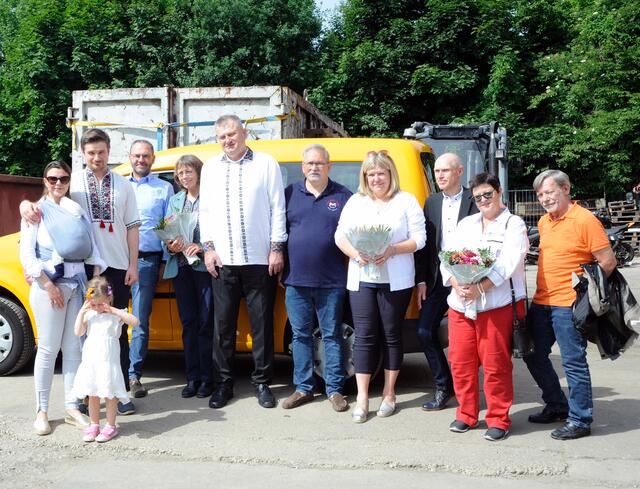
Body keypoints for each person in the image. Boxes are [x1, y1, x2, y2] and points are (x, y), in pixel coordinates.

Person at [21, 129, 141, 416]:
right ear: (83, 155)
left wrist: (133, 265)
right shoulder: (73, 184)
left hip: (116, 266)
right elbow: (46, 200)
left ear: (109, 152)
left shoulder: (124, 185)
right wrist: (25, 205)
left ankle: (119, 392)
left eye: (101, 152)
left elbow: (132, 227)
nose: (96, 157)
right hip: (83, 272)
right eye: (90, 153)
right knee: (83, 335)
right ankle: (87, 396)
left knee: (115, 331)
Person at [200, 114, 287, 409]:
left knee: (262, 325)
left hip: (259, 260)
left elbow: (278, 207)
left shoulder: (265, 164)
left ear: (245, 133)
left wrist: (276, 248)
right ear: (217, 139)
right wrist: (208, 249)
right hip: (223, 261)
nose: (228, 140)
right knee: (222, 327)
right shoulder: (210, 168)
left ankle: (262, 382)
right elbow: (206, 213)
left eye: (232, 134)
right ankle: (223, 383)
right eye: (222, 136)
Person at [524, 169, 616, 440]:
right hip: (542, 301)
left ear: (566, 189)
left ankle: (580, 419)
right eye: (540, 194)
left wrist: (585, 296)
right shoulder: (544, 222)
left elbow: (608, 262)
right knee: (532, 353)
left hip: (568, 305)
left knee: (573, 361)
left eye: (549, 192)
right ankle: (556, 405)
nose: (544, 198)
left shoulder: (585, 220)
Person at [335, 151, 426, 423]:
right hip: (362, 277)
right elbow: (340, 235)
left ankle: (389, 393)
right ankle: (362, 397)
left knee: (391, 335)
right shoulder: (356, 201)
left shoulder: (405, 201)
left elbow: (420, 239)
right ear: (365, 177)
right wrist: (355, 253)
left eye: (381, 174)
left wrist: (393, 250)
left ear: (390, 175)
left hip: (395, 279)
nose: (376, 179)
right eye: (371, 174)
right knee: (364, 336)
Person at [19, 160, 106, 436]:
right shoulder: (35, 212)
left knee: (73, 348)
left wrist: (94, 281)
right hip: (50, 286)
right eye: (52, 178)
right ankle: (42, 410)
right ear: (44, 180)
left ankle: (72, 407)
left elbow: (91, 249)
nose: (58, 183)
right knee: (47, 348)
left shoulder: (76, 210)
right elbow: (28, 254)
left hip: (77, 286)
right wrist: (47, 285)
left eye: (64, 178)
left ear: (69, 181)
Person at [440, 173, 528, 442]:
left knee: (495, 365)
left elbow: (508, 263)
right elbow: (448, 256)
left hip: (495, 306)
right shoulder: (466, 223)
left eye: (487, 194)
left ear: (499, 192)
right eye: (478, 197)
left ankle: (499, 418)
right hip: (461, 304)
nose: (483, 201)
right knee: (460, 363)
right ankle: (466, 413)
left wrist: (480, 287)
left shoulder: (514, 225)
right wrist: (456, 282)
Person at [281, 144, 352, 412]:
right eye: (309, 163)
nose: (314, 168)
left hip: (331, 280)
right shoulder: (289, 194)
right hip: (296, 280)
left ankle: (335, 390)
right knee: (300, 336)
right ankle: (303, 388)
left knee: (332, 335)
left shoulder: (343, 196)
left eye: (319, 163)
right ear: (302, 167)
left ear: (328, 166)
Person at [414, 153, 478, 411]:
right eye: (437, 171)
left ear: (459, 171)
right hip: (438, 280)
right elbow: (425, 246)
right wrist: (421, 281)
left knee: (471, 343)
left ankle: (470, 395)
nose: (439, 175)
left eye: (445, 171)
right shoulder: (431, 203)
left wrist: (474, 278)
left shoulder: (476, 201)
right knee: (424, 331)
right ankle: (444, 386)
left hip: (470, 279)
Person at [162, 155, 215, 399]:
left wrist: (202, 247)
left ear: (198, 172)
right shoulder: (175, 200)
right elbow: (167, 231)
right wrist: (171, 245)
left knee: (206, 324)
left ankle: (207, 379)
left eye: (188, 172)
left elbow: (221, 232)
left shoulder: (211, 197)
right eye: (180, 173)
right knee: (188, 324)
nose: (184, 177)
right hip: (181, 268)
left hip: (205, 270)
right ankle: (192, 378)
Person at [127, 140, 174, 399]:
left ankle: (134, 375)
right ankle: (115, 373)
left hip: (147, 262)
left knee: (139, 321)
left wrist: (165, 261)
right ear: (130, 157)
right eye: (137, 156)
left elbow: (168, 226)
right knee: (112, 318)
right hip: (118, 261)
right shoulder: (120, 186)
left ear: (153, 158)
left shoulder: (164, 188)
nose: (141, 160)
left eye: (145, 156)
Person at [72, 276, 139, 443]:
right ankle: (94, 424)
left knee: (109, 394)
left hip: (108, 361)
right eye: (93, 304)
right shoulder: (89, 315)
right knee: (93, 393)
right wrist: (82, 311)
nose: (97, 308)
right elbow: (78, 332)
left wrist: (114, 310)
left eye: (100, 304)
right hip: (92, 361)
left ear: (108, 298)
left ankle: (110, 425)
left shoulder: (114, 315)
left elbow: (135, 322)